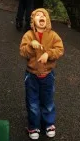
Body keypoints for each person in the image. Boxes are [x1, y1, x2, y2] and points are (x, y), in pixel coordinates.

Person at [20, 8, 64, 140]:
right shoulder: (28, 35)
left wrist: (48, 54)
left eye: (43, 15)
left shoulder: (53, 35)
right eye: (38, 15)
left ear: (47, 20)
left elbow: (60, 49)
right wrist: (30, 46)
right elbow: (22, 51)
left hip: (48, 74)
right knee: (32, 102)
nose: (41, 17)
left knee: (48, 101)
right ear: (33, 21)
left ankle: (49, 124)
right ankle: (34, 126)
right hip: (31, 75)